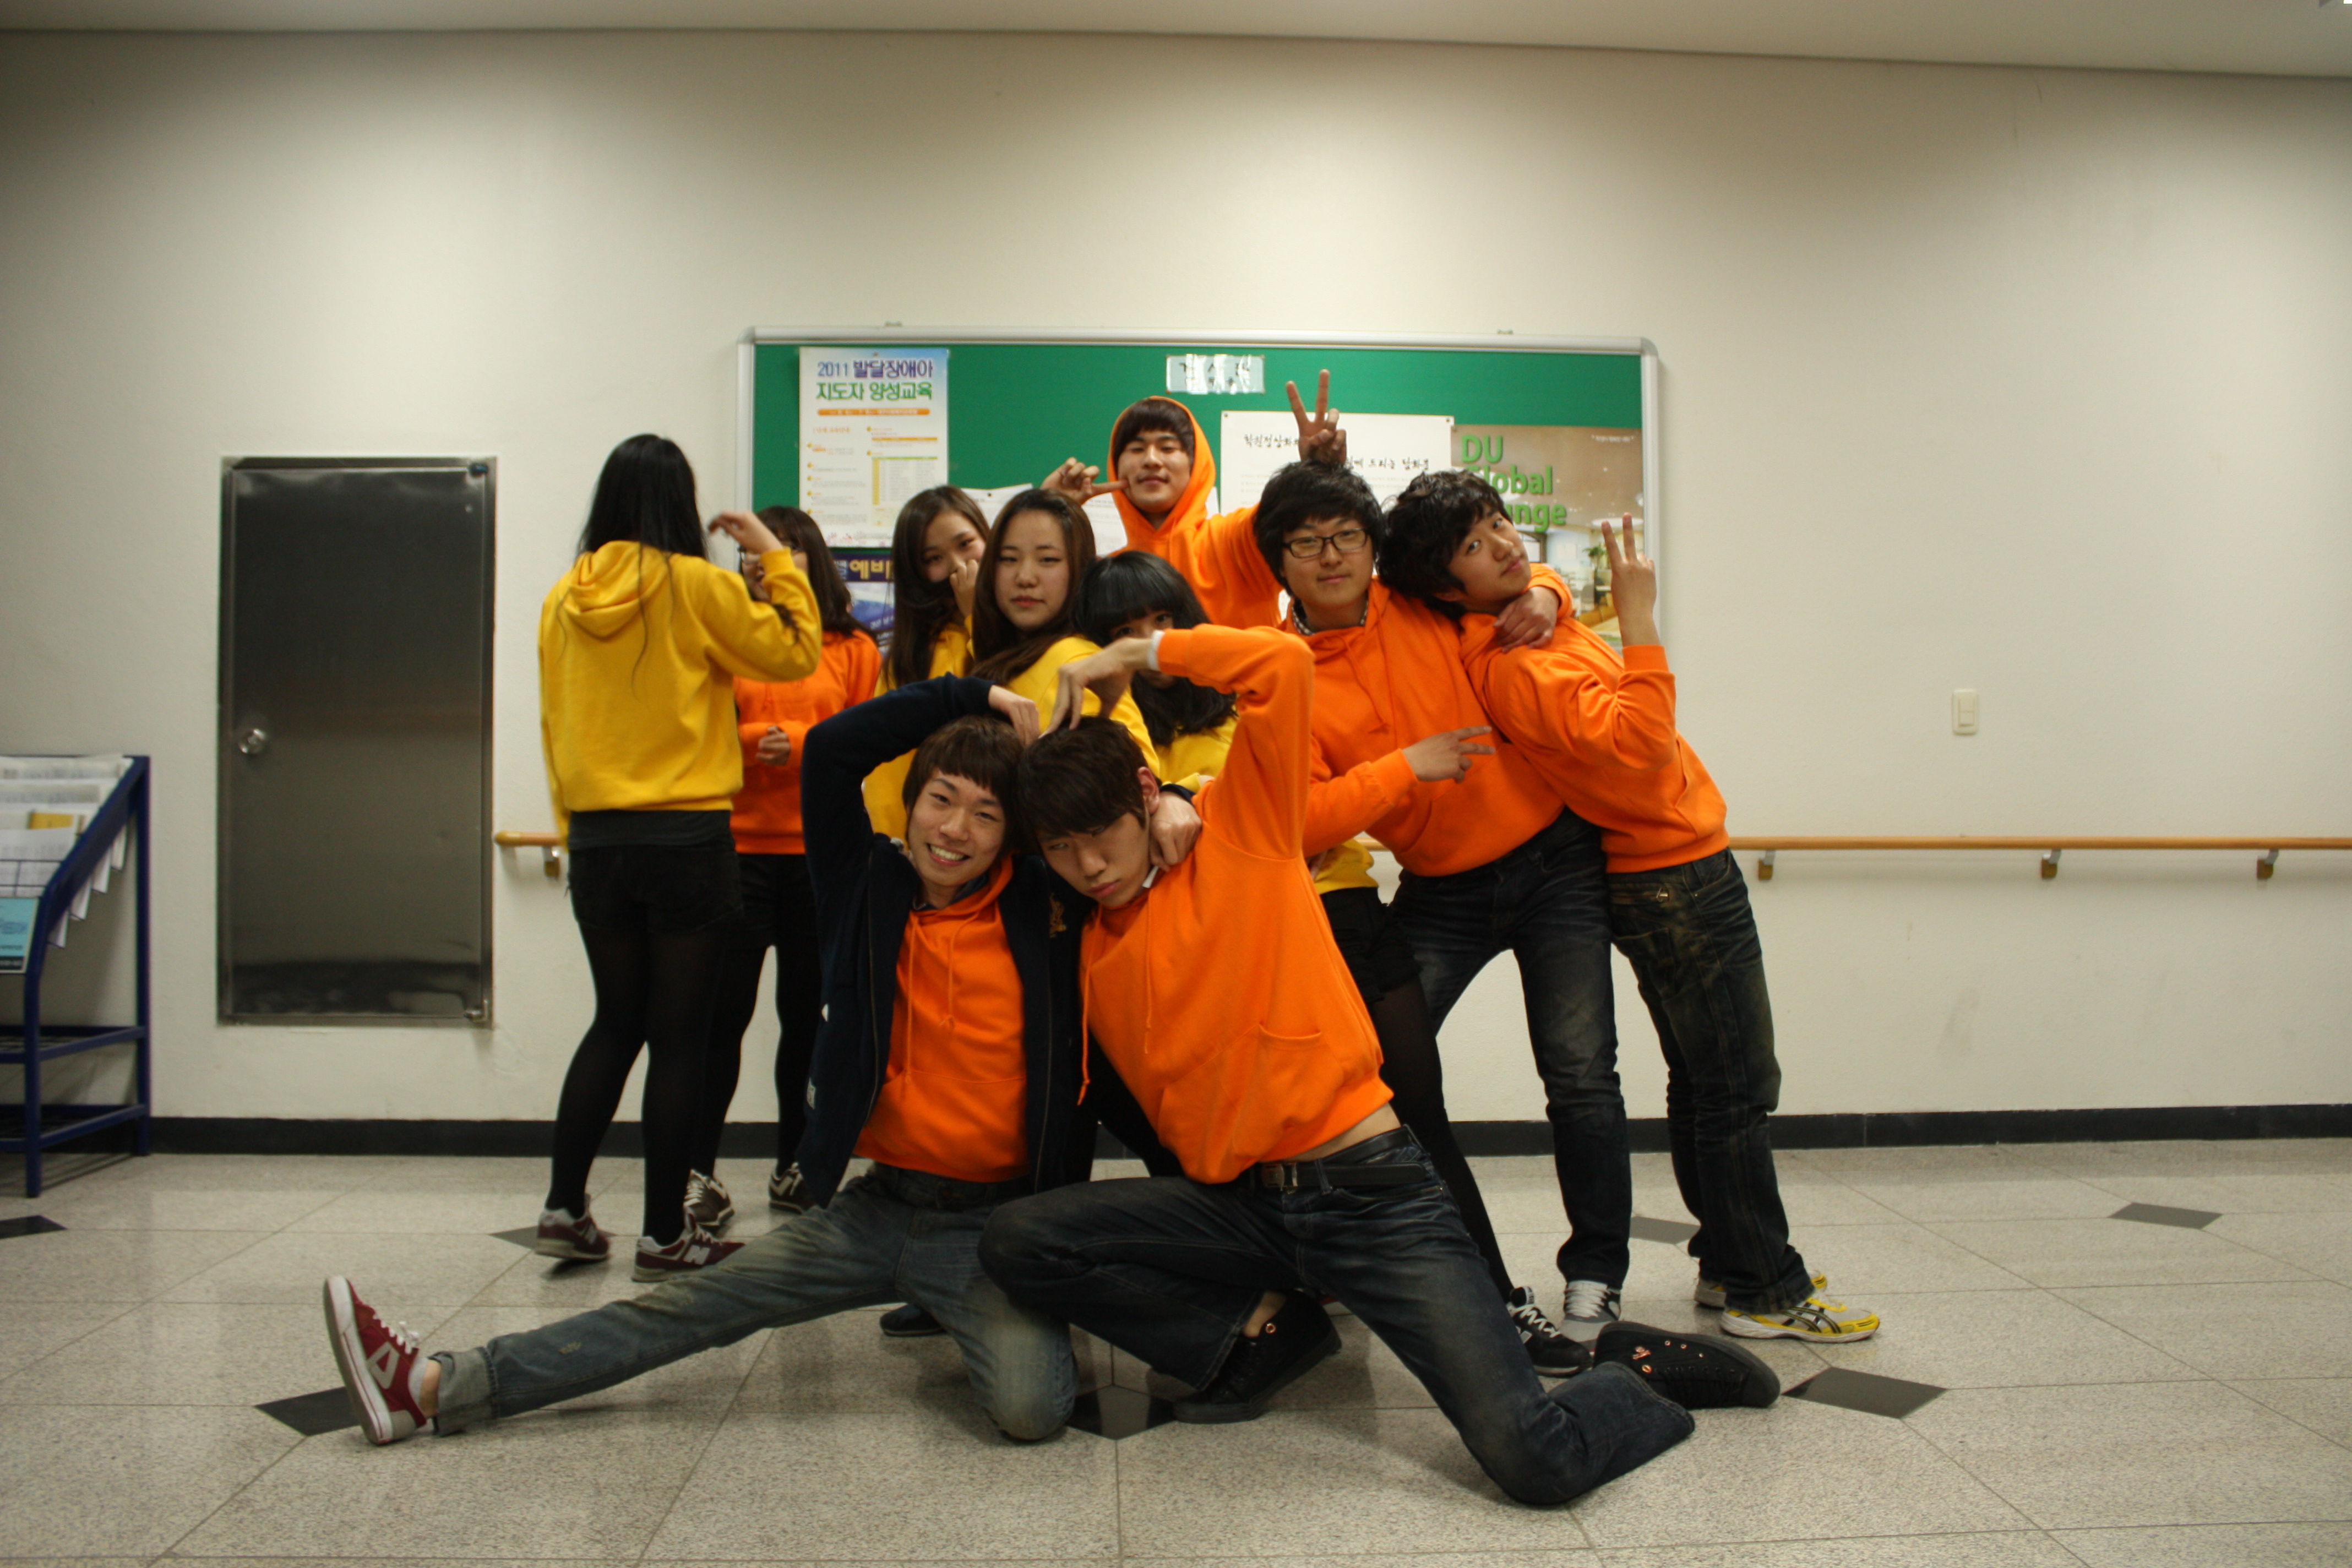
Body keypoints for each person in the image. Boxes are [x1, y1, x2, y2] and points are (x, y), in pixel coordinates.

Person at [978, 623, 1777, 1507]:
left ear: (1140, 799)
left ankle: (1636, 1371)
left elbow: (1281, 665)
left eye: (1101, 835)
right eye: (1061, 848)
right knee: (1022, 1239)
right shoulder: (1090, 936)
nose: (1089, 865)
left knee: (1536, 1460)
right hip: (1244, 1212)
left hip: (1368, 1194)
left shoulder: (1240, 834)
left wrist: (1137, 657)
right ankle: (1264, 1333)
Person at [324, 670, 1188, 1448]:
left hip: (996, 1225)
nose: (955, 830)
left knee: (1035, 1412)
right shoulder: (863, 883)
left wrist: (1180, 796)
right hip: (876, 1210)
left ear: (1012, 839)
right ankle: (435, 1386)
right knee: (686, 1309)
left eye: (987, 815)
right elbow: (834, 751)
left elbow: (1112, 824)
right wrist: (969, 695)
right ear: (912, 803)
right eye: (941, 800)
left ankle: (959, 1301)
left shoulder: (1043, 906)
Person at [1379, 480, 1880, 1343]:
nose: (1503, 543)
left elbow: (1536, 592)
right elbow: (1643, 747)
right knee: (1733, 1089)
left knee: (1705, 1086)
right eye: (1474, 545)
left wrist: (1549, 589)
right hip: (1676, 873)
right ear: (1445, 586)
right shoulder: (1517, 661)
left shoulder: (1523, 621)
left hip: (1656, 866)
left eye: (1498, 524)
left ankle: (1730, 1262)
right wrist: (1640, 616)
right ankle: (1765, 1287)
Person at [1071, 551, 1585, 1375]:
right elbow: (1233, 815)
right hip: (1227, 944)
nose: (1148, 639)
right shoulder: (1118, 724)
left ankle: (1499, 1305)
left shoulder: (1236, 692)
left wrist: (1197, 790)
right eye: (1124, 631)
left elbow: (1306, 808)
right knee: (1227, 1147)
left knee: (1414, 1120)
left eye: (1162, 622)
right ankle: (1283, 1308)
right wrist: (1184, 796)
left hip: (1337, 912)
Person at [1234, 456, 1641, 1343]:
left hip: (1555, 864)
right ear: (1278, 562)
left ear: (1371, 545)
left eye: (1347, 537)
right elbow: (1301, 820)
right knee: (1379, 1075)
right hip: (1440, 889)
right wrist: (1402, 769)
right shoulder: (1279, 670)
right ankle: (1441, 1275)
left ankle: (1597, 1273)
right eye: (1306, 543)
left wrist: (1549, 594)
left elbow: (1504, 571)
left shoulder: (1419, 601)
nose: (1331, 556)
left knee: (1581, 1075)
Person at [534, 434, 821, 1282]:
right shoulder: (695, 585)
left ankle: (563, 1208)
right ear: (678, 504)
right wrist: (774, 559)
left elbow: (554, 727)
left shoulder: (562, 600)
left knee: (614, 1022)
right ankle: (665, 1235)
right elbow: (796, 652)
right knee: (681, 1038)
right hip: (688, 839)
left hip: (598, 839)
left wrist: (573, 830)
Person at [695, 505, 880, 1228]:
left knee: (807, 1023)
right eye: (750, 553)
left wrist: (802, 743)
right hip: (735, 854)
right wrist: (751, 741)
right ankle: (697, 1175)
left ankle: (795, 1166)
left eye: (781, 550)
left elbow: (867, 737)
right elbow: (698, 726)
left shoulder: (852, 646)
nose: (761, 562)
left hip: (816, 859)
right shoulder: (722, 637)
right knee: (719, 1023)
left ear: (811, 561)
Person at [862, 486, 989, 837]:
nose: (958, 566)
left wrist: (977, 617)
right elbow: (887, 778)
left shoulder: (1025, 628)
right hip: (928, 845)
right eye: (934, 558)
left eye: (966, 544)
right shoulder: (912, 658)